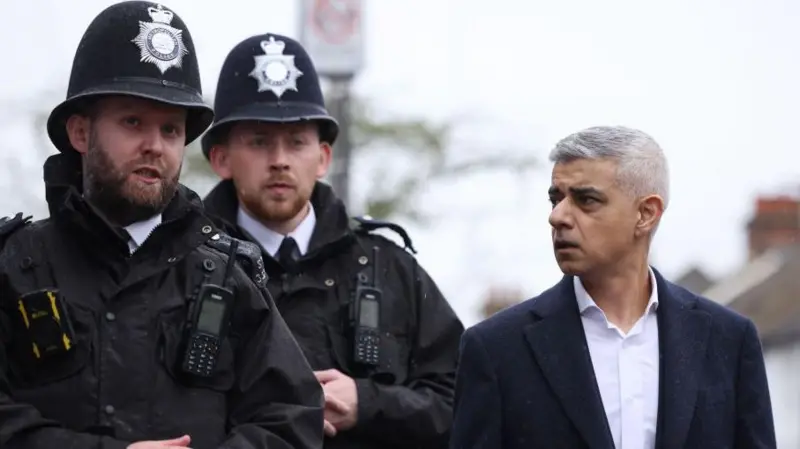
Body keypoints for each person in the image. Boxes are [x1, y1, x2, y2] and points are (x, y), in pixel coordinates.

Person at [0, 3, 324, 449]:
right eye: (133, 122)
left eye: (171, 130)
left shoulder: (228, 276)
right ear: (80, 132)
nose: (154, 146)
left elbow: (291, 419)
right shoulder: (15, 267)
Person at [200, 32, 465, 449]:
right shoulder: (183, 267)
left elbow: (465, 402)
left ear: (323, 158)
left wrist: (370, 402)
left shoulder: (388, 268)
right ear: (221, 159)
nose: (280, 160)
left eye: (297, 142)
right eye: (259, 141)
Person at [450, 126, 777, 449]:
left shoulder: (729, 341)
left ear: (646, 214)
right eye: (556, 199)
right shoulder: (496, 349)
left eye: (586, 199)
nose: (558, 216)